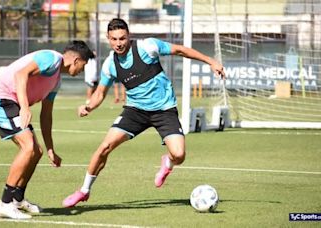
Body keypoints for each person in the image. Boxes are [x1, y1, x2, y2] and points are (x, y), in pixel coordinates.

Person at [62, 18, 225, 208]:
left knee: (179, 155)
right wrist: (88, 106)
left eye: (122, 38)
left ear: (129, 36)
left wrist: (210, 61)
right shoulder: (110, 64)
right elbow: (100, 93)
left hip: (164, 110)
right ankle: (83, 191)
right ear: (108, 38)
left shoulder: (147, 47)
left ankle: (168, 163)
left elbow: (180, 50)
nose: (118, 43)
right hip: (135, 111)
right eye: (114, 39)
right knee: (104, 147)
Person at [0, 40, 94, 219]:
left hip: (12, 102)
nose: (82, 70)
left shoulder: (56, 80)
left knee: (37, 151)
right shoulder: (51, 59)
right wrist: (25, 108)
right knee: (28, 148)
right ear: (76, 60)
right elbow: (20, 75)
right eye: (83, 65)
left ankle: (18, 199)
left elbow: (46, 115)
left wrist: (50, 149)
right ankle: (5, 203)